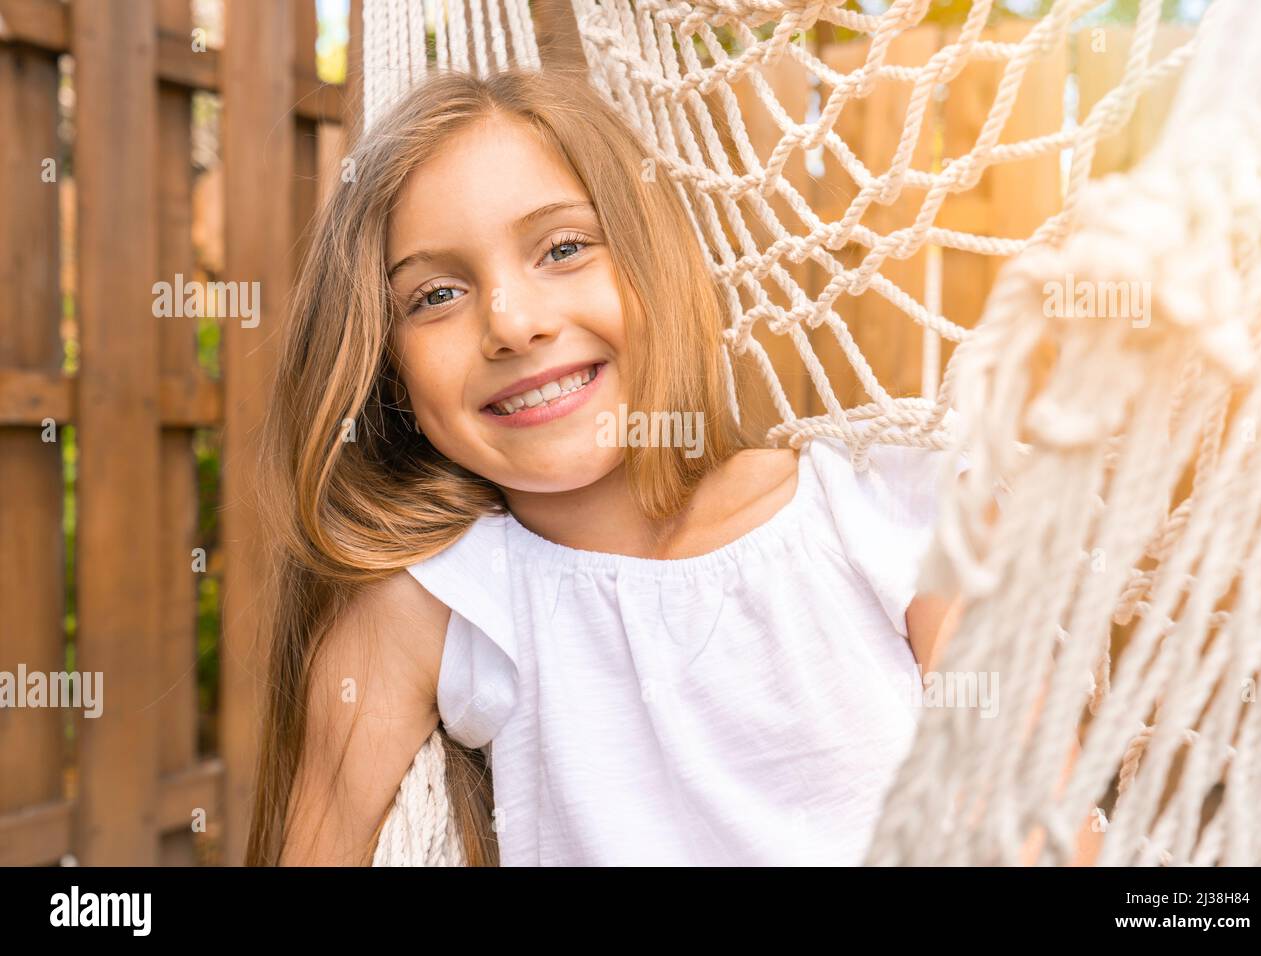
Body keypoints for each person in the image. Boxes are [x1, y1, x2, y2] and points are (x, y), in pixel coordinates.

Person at [245, 67, 1090, 867]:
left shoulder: (890, 513)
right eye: (436, 296)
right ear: (389, 371)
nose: (512, 323)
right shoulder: (445, 601)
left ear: (658, 262)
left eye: (564, 248)